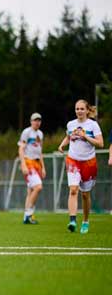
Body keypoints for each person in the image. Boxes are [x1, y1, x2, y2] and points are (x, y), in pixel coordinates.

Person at [57, 99, 104, 233]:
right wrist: (62, 145)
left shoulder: (93, 125)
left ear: (87, 110)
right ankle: (72, 221)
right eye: (77, 109)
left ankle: (85, 221)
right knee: (73, 190)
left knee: (85, 195)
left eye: (82, 109)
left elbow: (101, 144)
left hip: (89, 163)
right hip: (73, 161)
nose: (79, 111)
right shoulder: (71, 124)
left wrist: (85, 137)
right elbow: (68, 136)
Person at [18, 112, 46, 224]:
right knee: (38, 187)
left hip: (36, 164)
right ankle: (28, 213)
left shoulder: (40, 134)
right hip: (28, 162)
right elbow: (21, 149)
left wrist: (43, 167)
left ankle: (27, 217)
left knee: (30, 191)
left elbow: (40, 152)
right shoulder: (27, 132)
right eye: (35, 120)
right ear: (31, 121)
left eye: (39, 120)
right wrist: (23, 164)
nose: (37, 122)